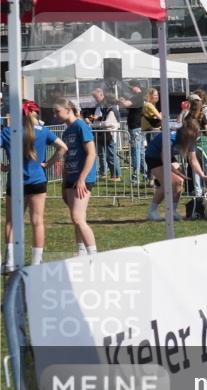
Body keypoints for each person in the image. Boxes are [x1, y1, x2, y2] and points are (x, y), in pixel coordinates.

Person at [3, 101, 68, 269]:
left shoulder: (8, 131)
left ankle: (10, 261)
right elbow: (63, 147)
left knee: (11, 221)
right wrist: (48, 164)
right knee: (37, 222)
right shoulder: (43, 131)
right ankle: (36, 261)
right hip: (37, 180)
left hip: (16, 181)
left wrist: (2, 166)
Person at [53, 98, 99, 255]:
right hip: (71, 179)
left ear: (68, 109)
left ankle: (93, 254)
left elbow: (91, 154)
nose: (55, 115)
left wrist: (82, 179)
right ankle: (81, 251)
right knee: (77, 219)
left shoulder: (81, 126)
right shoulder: (66, 132)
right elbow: (66, 158)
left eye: (57, 111)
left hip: (82, 179)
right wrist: (64, 183)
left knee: (78, 217)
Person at [145, 119, 207, 221]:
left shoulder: (191, 140)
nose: (198, 134)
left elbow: (193, 160)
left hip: (168, 156)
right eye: (195, 132)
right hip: (154, 156)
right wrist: (178, 173)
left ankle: (172, 212)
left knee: (179, 181)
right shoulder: (171, 137)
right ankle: (152, 211)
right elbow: (165, 159)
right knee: (169, 182)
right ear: (187, 131)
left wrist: (203, 175)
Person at [118, 80, 147, 185]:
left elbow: (124, 104)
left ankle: (135, 178)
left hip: (136, 128)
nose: (129, 89)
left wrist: (120, 99)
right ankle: (147, 175)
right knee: (141, 153)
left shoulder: (137, 97)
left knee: (136, 153)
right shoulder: (139, 97)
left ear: (136, 87)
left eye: (131, 87)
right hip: (138, 128)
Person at [90, 86, 122, 180]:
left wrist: (93, 125)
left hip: (110, 135)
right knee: (109, 156)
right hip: (106, 135)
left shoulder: (111, 109)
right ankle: (113, 175)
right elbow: (105, 120)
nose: (96, 100)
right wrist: (98, 119)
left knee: (111, 156)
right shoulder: (106, 109)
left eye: (96, 97)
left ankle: (116, 175)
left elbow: (108, 123)